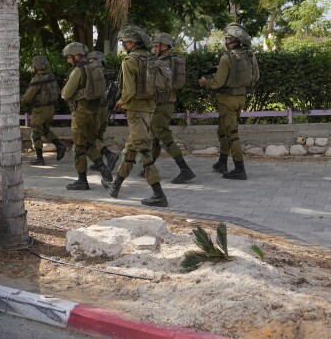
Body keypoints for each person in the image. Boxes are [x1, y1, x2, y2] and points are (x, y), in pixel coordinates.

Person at [101, 25, 168, 207]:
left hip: (136, 111)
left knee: (143, 150)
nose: (123, 45)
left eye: (124, 42)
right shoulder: (150, 58)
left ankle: (158, 194)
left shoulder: (129, 61)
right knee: (131, 148)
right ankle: (115, 186)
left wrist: (120, 101)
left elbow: (129, 91)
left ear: (132, 43)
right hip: (149, 109)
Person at [199, 23, 259, 180]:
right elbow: (256, 77)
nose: (225, 41)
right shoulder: (250, 56)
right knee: (222, 130)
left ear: (233, 40)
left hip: (227, 100)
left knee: (231, 134)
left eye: (226, 38)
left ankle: (239, 169)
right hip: (241, 98)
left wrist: (205, 82)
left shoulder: (227, 58)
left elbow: (217, 83)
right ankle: (222, 162)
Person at [61, 42, 113, 190]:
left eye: (69, 58)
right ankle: (103, 168)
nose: (68, 61)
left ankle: (82, 180)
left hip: (81, 115)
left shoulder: (78, 71)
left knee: (79, 147)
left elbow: (66, 94)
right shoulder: (95, 68)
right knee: (90, 143)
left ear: (77, 56)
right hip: (94, 114)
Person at [149, 33, 196, 184]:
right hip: (166, 103)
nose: (153, 48)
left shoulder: (162, 63)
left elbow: (155, 86)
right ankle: (147, 167)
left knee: (163, 137)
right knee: (155, 137)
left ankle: (185, 169)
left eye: (156, 46)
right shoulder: (170, 60)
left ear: (164, 47)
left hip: (161, 105)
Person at [21, 55, 66, 165]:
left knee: (35, 134)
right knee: (45, 130)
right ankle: (59, 145)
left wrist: (21, 100)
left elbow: (27, 98)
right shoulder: (51, 77)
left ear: (36, 66)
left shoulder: (37, 79)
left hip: (40, 110)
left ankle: (39, 159)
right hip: (51, 109)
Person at [86, 51, 119, 173]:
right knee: (99, 136)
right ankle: (98, 161)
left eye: (90, 61)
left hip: (98, 110)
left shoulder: (96, 75)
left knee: (92, 137)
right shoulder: (108, 74)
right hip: (107, 110)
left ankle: (109, 155)